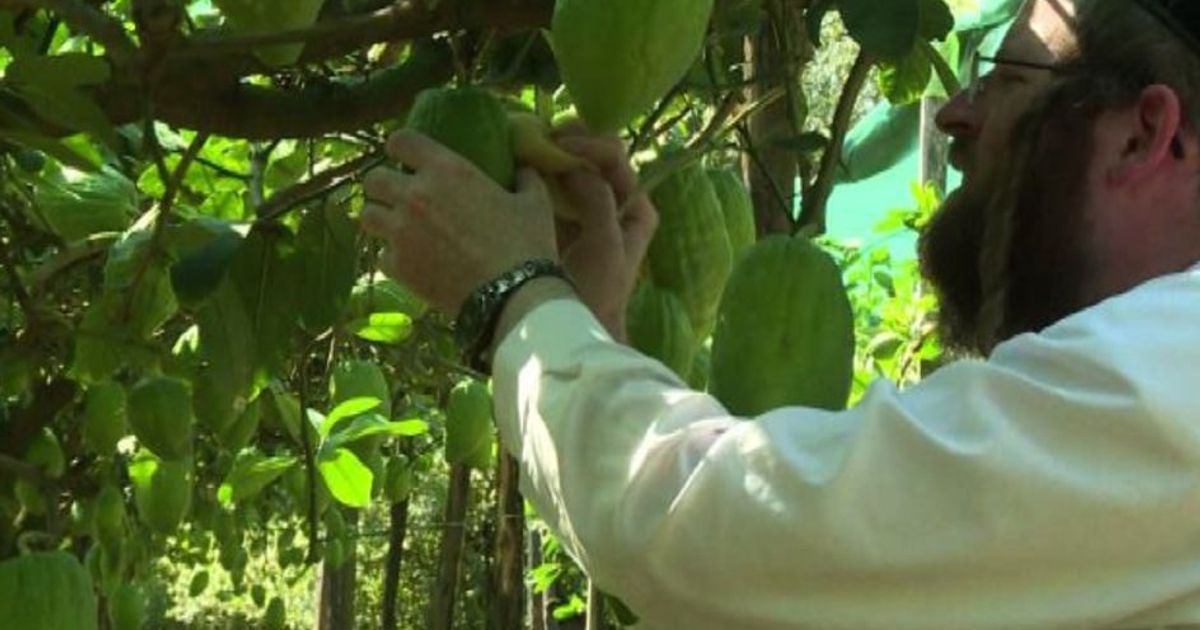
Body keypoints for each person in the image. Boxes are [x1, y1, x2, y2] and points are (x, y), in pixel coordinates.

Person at [360, 0, 1200, 627]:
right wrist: (588, 319)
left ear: (1143, 134)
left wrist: (515, 294)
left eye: (1009, 81)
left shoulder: (1174, 381)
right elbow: (800, 586)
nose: (951, 114)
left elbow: (731, 531)